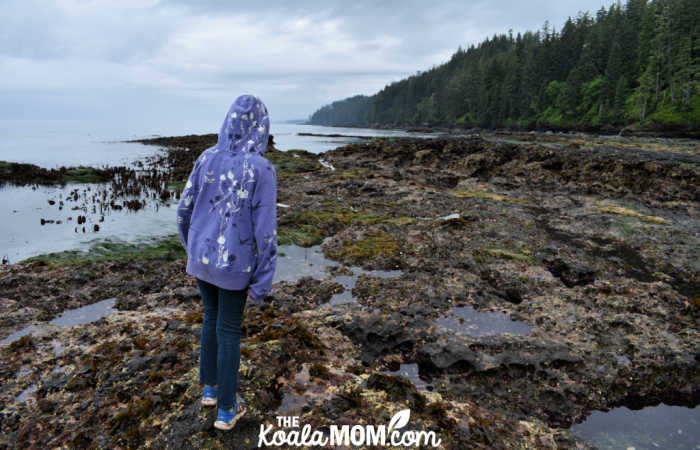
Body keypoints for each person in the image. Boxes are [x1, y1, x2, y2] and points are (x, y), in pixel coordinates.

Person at [176, 94, 278, 431]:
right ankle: (226, 410)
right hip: (235, 265)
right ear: (261, 127)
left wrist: (192, 246)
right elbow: (265, 232)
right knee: (229, 329)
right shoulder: (261, 169)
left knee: (211, 319)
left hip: (202, 257)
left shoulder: (207, 157)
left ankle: (210, 389)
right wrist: (263, 282)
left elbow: (184, 209)